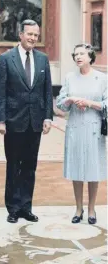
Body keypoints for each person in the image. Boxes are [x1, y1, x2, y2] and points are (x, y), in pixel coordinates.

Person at [0, 19, 53, 223]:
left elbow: (47, 91)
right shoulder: (5, 59)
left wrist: (48, 116)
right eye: (30, 34)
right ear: (20, 35)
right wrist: (0, 120)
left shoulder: (43, 59)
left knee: (30, 166)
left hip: (35, 122)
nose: (33, 38)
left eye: (36, 35)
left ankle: (26, 207)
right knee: (13, 165)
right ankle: (12, 208)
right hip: (13, 121)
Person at [56, 43, 107, 225]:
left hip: (94, 127)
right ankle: (78, 208)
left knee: (93, 169)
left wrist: (89, 103)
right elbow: (60, 104)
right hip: (75, 126)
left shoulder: (101, 78)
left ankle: (92, 208)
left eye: (82, 54)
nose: (78, 57)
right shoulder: (70, 77)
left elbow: (106, 104)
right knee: (77, 167)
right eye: (75, 54)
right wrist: (69, 100)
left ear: (90, 56)